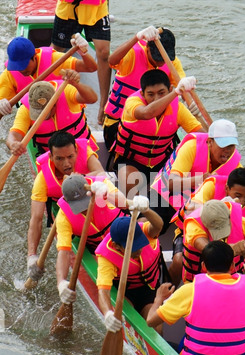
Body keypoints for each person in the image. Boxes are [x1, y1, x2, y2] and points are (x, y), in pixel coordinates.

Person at [147, 241, 245, 355]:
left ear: (203, 266)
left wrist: (158, 299)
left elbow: (150, 321)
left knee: (172, 344)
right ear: (232, 266)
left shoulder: (189, 290)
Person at [152, 118, 242, 283]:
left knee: (181, 259)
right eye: (223, 145)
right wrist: (203, 179)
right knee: (147, 228)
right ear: (209, 142)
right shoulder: (192, 147)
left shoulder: (235, 166)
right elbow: (170, 184)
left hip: (192, 210)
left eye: (231, 146)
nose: (227, 151)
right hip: (167, 195)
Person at [27, 131, 106, 285]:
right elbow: (36, 220)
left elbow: (102, 174)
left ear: (76, 150)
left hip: (94, 205)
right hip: (70, 214)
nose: (67, 164)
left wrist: (78, 179)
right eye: (59, 159)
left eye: (70, 156)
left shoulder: (86, 153)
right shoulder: (42, 179)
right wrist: (32, 255)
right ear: (51, 157)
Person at [51, 0, 126, 126]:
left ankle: (104, 106)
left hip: (97, 8)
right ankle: (45, 94)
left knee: (104, 53)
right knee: (56, 52)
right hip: (71, 8)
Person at [103, 25, 198, 149]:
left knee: (177, 151)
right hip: (121, 124)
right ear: (147, 48)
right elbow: (112, 61)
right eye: (157, 58)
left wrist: (191, 104)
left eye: (164, 59)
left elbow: (183, 87)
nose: (161, 62)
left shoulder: (171, 62)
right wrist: (136, 37)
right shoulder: (134, 53)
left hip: (155, 128)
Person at [113, 69, 203, 198]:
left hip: (162, 161)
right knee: (130, 180)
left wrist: (198, 115)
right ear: (142, 94)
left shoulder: (178, 109)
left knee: (184, 183)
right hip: (131, 160)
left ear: (169, 89)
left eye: (161, 93)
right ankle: (137, 212)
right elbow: (147, 113)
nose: (156, 99)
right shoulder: (132, 103)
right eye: (150, 94)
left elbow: (204, 138)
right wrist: (176, 93)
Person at [55, 173, 130, 304]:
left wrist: (106, 195)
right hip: (102, 253)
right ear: (68, 202)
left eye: (85, 203)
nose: (84, 210)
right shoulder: (63, 217)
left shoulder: (102, 186)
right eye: (79, 207)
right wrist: (61, 282)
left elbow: (125, 203)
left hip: (126, 238)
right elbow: (64, 251)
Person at [94, 196, 164, 332]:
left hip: (148, 288)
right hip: (125, 290)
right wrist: (108, 314)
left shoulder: (143, 230)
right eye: (132, 247)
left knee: (156, 328)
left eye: (140, 244)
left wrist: (146, 210)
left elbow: (158, 225)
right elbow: (103, 290)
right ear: (117, 246)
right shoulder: (106, 257)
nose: (138, 250)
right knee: (126, 322)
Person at [6, 69, 98, 156]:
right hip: (54, 157)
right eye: (38, 112)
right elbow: (14, 134)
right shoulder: (25, 109)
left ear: (55, 104)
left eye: (45, 112)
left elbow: (93, 99)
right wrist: (13, 144)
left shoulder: (66, 91)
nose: (42, 116)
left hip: (83, 150)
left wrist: (77, 84)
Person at [0, 34, 97, 116]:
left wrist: (83, 53)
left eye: (24, 65)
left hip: (65, 112)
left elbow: (91, 68)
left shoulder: (54, 60)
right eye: (17, 66)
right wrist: (1, 107)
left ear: (34, 57)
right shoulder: (9, 74)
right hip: (37, 119)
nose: (21, 70)